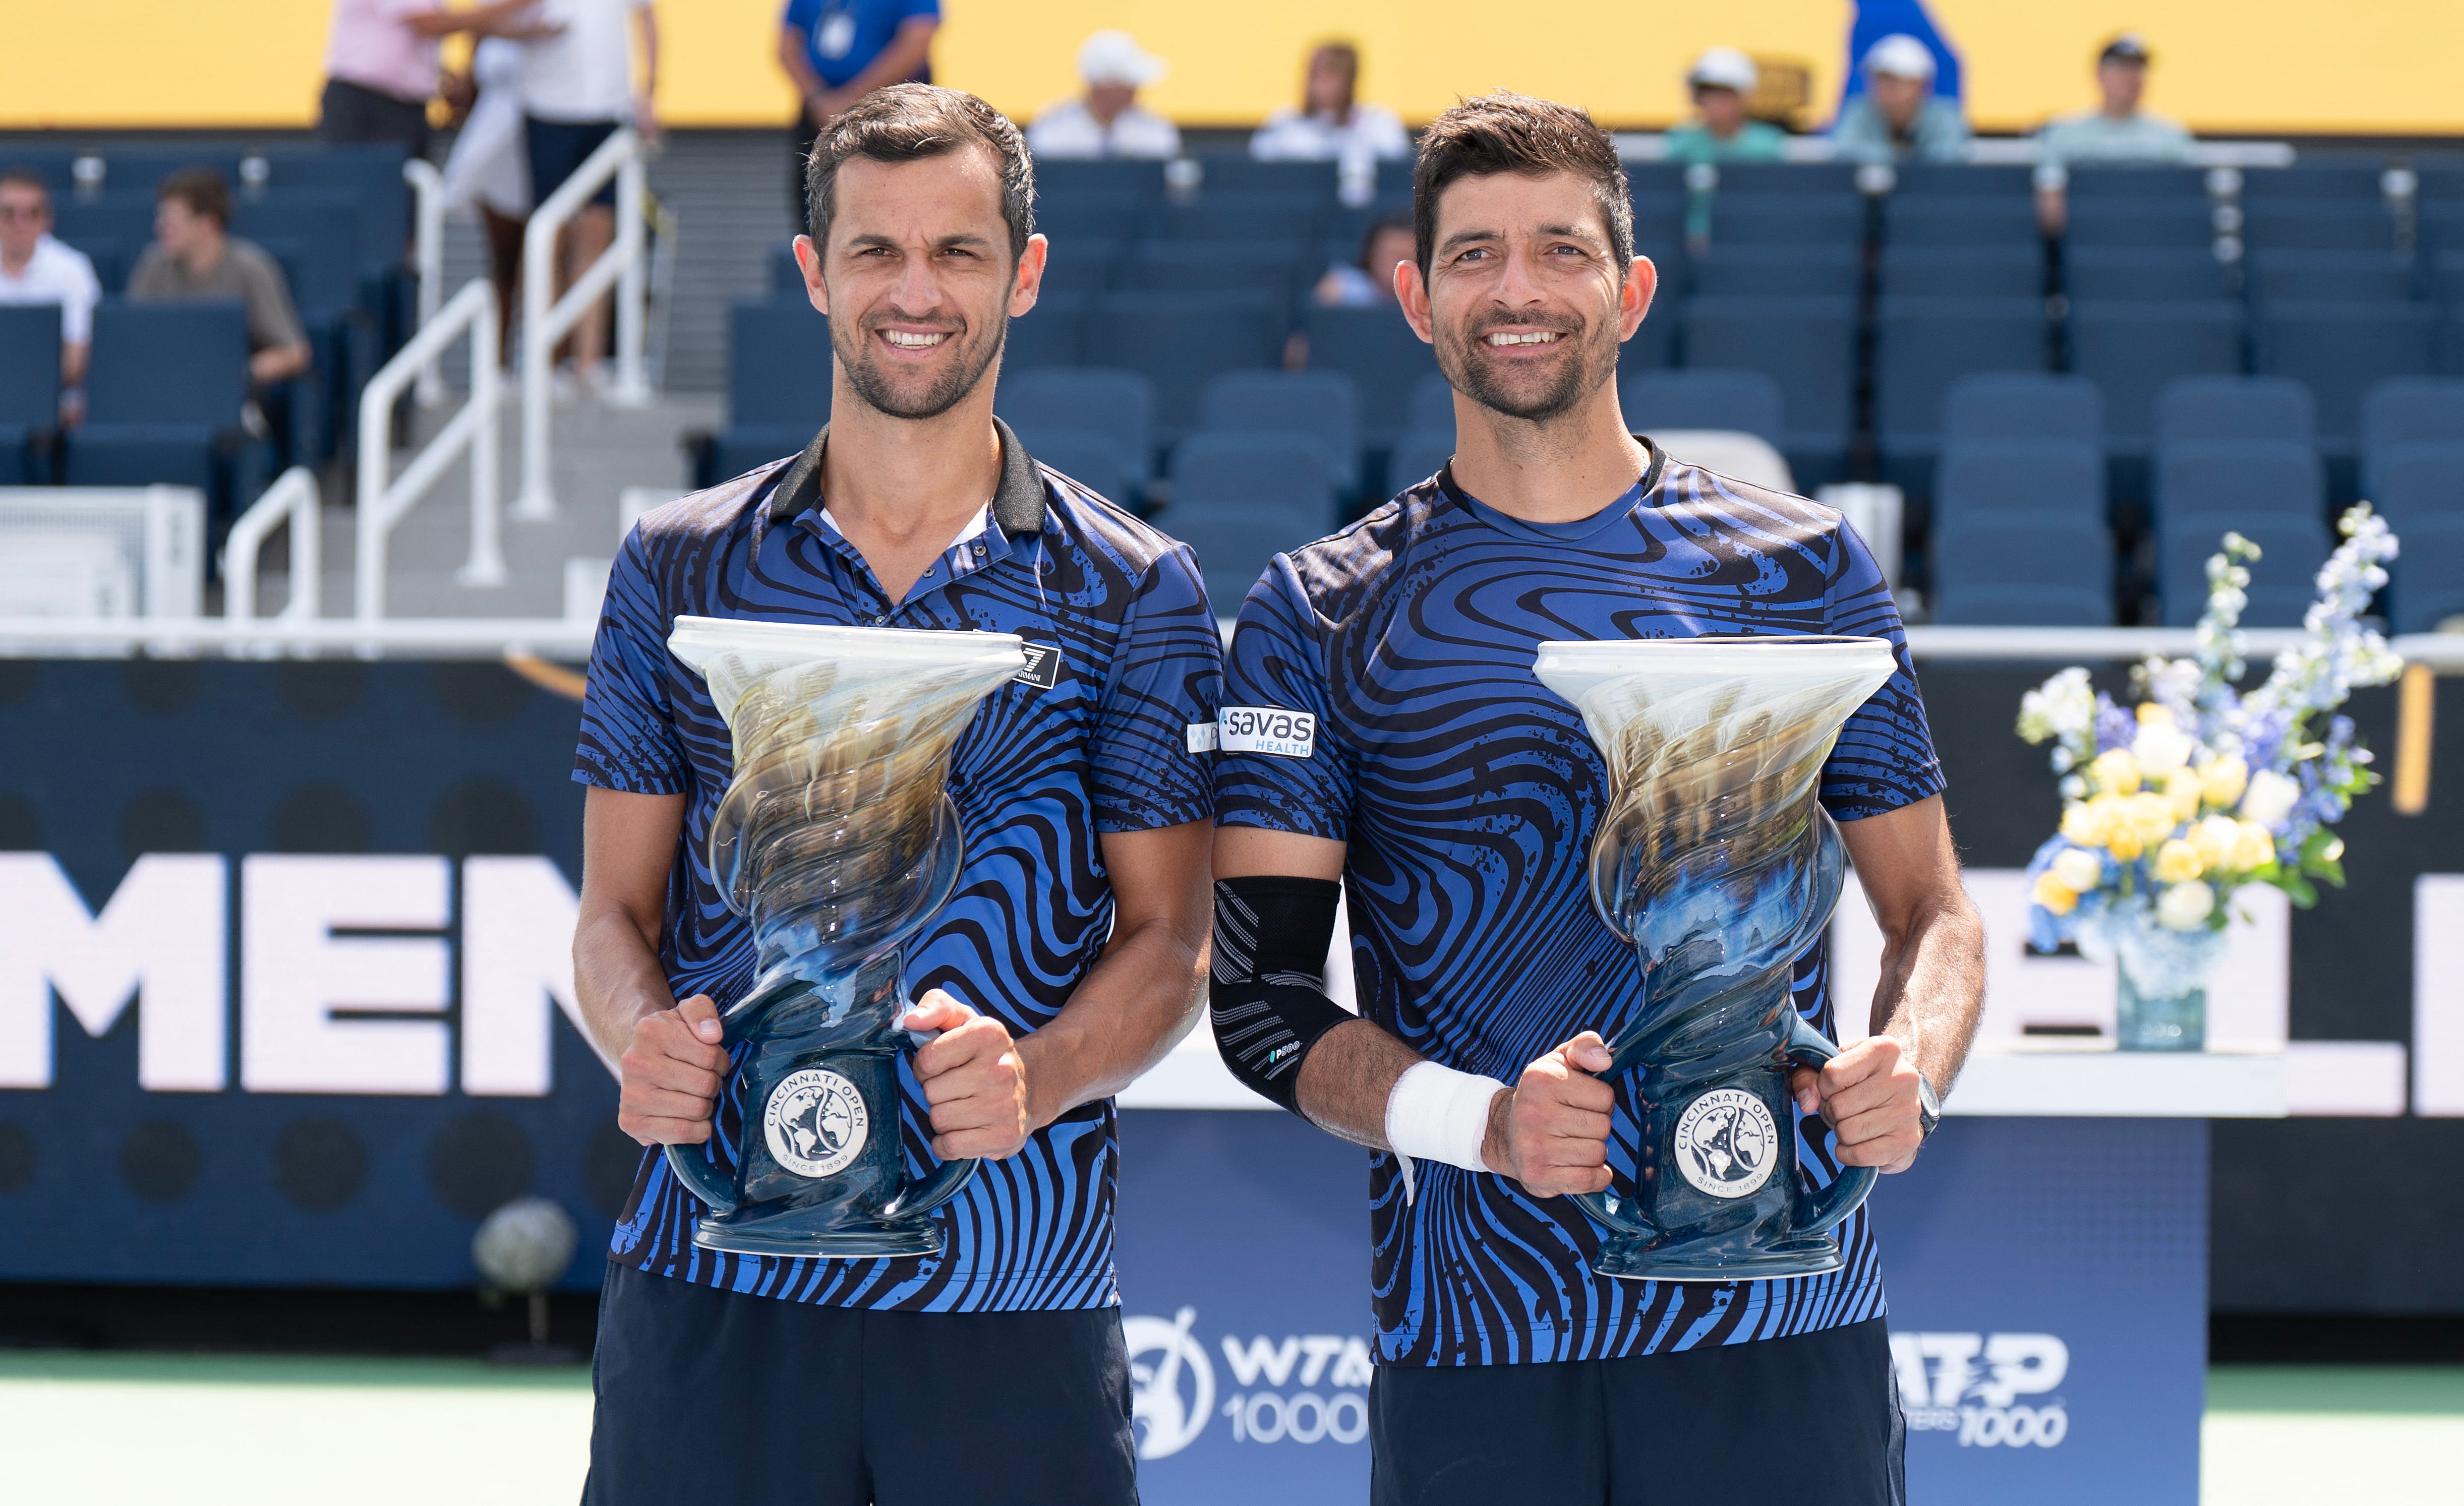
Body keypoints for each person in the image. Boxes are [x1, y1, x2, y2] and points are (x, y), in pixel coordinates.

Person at [1207, 92, 1984, 1504]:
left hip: (1778, 1316)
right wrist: (1484, 1123)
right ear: (1413, 295)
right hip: (1475, 1331)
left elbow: (1930, 911)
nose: (1516, 290)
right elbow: (1260, 1002)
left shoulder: (1797, 570)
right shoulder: (1318, 610)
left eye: (1559, 251)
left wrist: (1910, 1065)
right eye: (1472, 255)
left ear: (1627, 290)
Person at [572, 83, 1220, 1506]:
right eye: (874, 251)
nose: (913, 292)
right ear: (813, 271)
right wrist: (639, 1038)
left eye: (957, 252)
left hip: (1011, 1286)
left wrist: (1034, 1077)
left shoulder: (1133, 591)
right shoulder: (675, 568)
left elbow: (1170, 946)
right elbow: (611, 916)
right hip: (714, 1273)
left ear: (1023, 274)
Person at [520, 0, 659, 394]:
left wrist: (648, 92)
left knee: (598, 234)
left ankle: (588, 363)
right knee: (550, 238)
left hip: (608, 110)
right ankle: (545, 363)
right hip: (546, 107)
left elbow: (647, 18)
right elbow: (498, 18)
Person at [129, 168, 312, 389]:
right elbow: (131, 339)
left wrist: (236, 373)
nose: (159, 229)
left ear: (207, 224)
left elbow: (294, 353)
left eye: (171, 222)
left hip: (228, 399)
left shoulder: (251, 268)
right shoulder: (153, 265)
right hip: (161, 389)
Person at [317, 0, 558, 159]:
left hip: (399, 107)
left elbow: (402, 40)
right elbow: (430, 24)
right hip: (368, 104)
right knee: (370, 202)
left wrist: (528, 31)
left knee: (402, 208)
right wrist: (512, 7)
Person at [779, 0, 938, 224]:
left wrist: (852, 99)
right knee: (814, 194)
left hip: (895, 111)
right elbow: (787, 46)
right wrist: (818, 96)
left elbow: (917, 41)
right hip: (820, 114)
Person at [2034, 33, 2194, 232]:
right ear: (2099, 74)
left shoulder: (2171, 136)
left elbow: (2187, 207)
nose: (2132, 77)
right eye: (2122, 68)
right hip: (2087, 246)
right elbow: (2050, 212)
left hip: (2153, 243)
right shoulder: (2064, 135)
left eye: (2138, 69)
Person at [439, 35, 534, 362]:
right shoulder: (486, 23)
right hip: (495, 152)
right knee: (504, 264)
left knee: (549, 260)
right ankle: (498, 366)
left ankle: (555, 365)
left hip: (548, 144)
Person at [1250, 41, 1411, 204]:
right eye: (1314, 76)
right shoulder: (1285, 122)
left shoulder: (1378, 122)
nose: (1317, 86)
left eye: (1329, 77)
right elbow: (1260, 160)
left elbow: (1398, 157)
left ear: (1349, 80)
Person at [0, 168, 102, 420]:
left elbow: (78, 355)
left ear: (48, 219)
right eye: (9, 213)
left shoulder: (73, 269)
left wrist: (26, 393)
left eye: (32, 214)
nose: (20, 224)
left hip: (56, 408)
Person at [1026, 30, 1179, 161]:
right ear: (1104, 86)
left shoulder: (1154, 129)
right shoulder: (1053, 129)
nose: (1135, 89)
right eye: (1127, 82)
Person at [1832, 33, 1968, 166]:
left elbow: (1949, 155)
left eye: (1894, 80)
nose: (1884, 87)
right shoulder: (1858, 110)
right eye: (1879, 79)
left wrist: (1896, 161)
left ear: (1920, 85)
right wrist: (1903, 159)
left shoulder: (1944, 115)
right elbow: (1845, 150)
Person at [1661, 47, 1787, 166]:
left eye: (1723, 94)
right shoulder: (1682, 144)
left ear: (1744, 97)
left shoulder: (1768, 145)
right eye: (1706, 93)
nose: (1713, 103)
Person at [1313, 208, 1413, 306]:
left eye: (1406, 257)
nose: (1397, 265)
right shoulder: (1342, 288)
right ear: (1371, 254)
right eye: (1390, 255)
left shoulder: (1427, 294)